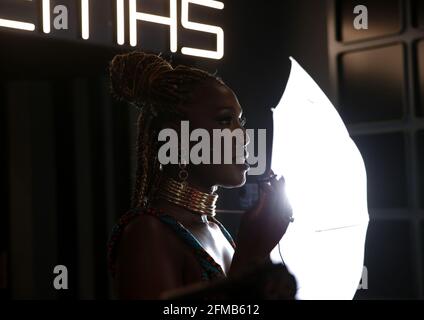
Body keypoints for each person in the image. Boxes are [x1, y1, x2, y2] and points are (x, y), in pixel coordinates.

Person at [107, 51, 294, 299]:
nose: (245, 136)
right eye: (225, 120)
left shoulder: (217, 230)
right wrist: (252, 254)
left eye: (240, 121)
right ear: (181, 138)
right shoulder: (147, 233)